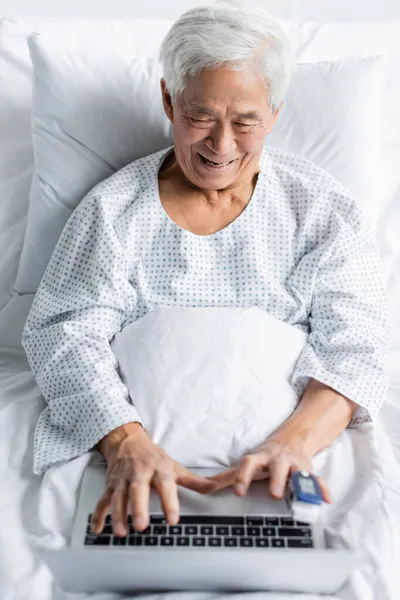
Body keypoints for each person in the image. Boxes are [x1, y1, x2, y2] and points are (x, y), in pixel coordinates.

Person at [21, 1, 389, 540]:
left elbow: (357, 348)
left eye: (246, 123)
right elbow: (62, 334)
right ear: (169, 100)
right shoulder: (113, 212)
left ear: (276, 113)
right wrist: (126, 444)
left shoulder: (321, 211)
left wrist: (293, 444)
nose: (221, 147)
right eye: (200, 119)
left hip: (290, 468)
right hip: (131, 466)